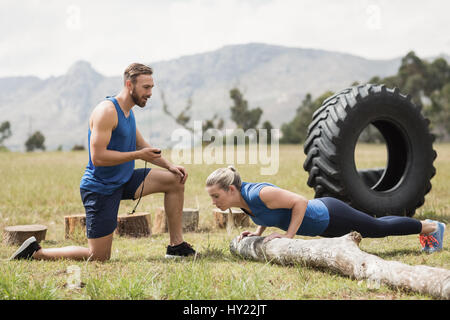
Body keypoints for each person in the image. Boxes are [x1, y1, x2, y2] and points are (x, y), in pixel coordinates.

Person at [10, 63, 196, 261]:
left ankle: (176, 246)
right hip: (101, 188)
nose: (150, 93)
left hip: (123, 180)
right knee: (98, 256)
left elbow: (143, 146)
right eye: (146, 87)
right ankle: (36, 252)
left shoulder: (128, 112)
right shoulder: (107, 111)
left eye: (151, 87)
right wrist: (138, 156)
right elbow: (98, 157)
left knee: (175, 180)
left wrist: (170, 166)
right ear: (129, 85)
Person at [205, 166, 445, 253]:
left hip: (330, 214)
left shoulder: (259, 192)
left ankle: (432, 227)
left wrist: (288, 236)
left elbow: (299, 201)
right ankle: (428, 227)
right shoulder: (243, 201)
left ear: (231, 189)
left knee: (378, 228)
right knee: (375, 227)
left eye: (216, 196)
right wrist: (258, 233)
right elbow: (265, 212)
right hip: (324, 227)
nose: (214, 202)